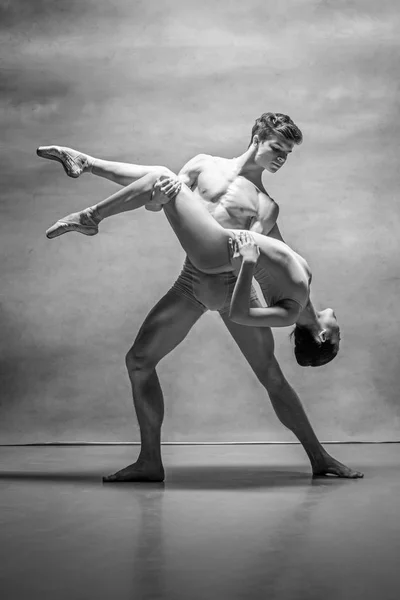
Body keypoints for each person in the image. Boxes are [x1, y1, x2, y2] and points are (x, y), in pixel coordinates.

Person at [37, 112, 363, 479]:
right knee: (138, 361)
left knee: (271, 376)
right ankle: (149, 462)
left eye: (288, 153)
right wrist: (156, 201)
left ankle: (321, 459)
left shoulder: (266, 206)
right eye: (277, 147)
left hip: (228, 283)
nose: (281, 158)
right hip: (191, 281)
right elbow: (155, 200)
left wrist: (316, 327)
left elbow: (259, 262)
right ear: (257, 136)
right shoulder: (203, 165)